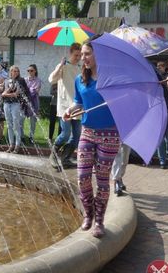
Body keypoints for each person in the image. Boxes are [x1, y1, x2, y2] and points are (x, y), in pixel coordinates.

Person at [63, 37, 120, 238]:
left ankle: (100, 221)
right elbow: (78, 102)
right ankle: (88, 214)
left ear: (98, 55)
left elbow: (125, 99)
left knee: (103, 179)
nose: (83, 58)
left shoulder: (111, 78)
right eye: (83, 54)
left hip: (110, 134)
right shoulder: (81, 80)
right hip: (87, 132)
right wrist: (69, 111)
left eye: (87, 54)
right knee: (82, 178)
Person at [48, 43, 82, 169]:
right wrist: (60, 67)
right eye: (76, 55)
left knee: (77, 136)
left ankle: (65, 158)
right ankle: (53, 154)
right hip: (64, 106)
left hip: (77, 107)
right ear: (70, 53)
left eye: (80, 55)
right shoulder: (64, 66)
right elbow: (51, 79)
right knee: (66, 134)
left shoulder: (80, 68)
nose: (78, 57)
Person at [2, 65, 24, 154]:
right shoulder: (6, 81)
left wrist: (9, 94)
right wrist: (10, 94)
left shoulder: (21, 81)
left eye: (16, 71)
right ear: (10, 72)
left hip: (16, 104)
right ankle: (11, 144)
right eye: (13, 71)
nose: (15, 73)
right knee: (9, 124)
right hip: (7, 104)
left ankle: (17, 145)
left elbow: (21, 92)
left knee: (16, 124)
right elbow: (3, 93)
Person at [23, 64, 42, 143]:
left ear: (35, 71)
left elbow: (36, 90)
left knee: (32, 121)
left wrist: (29, 90)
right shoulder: (25, 79)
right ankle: (22, 136)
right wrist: (30, 90)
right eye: (28, 71)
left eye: (31, 70)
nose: (30, 72)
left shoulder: (38, 80)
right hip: (25, 102)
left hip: (34, 102)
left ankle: (31, 136)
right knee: (22, 119)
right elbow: (23, 90)